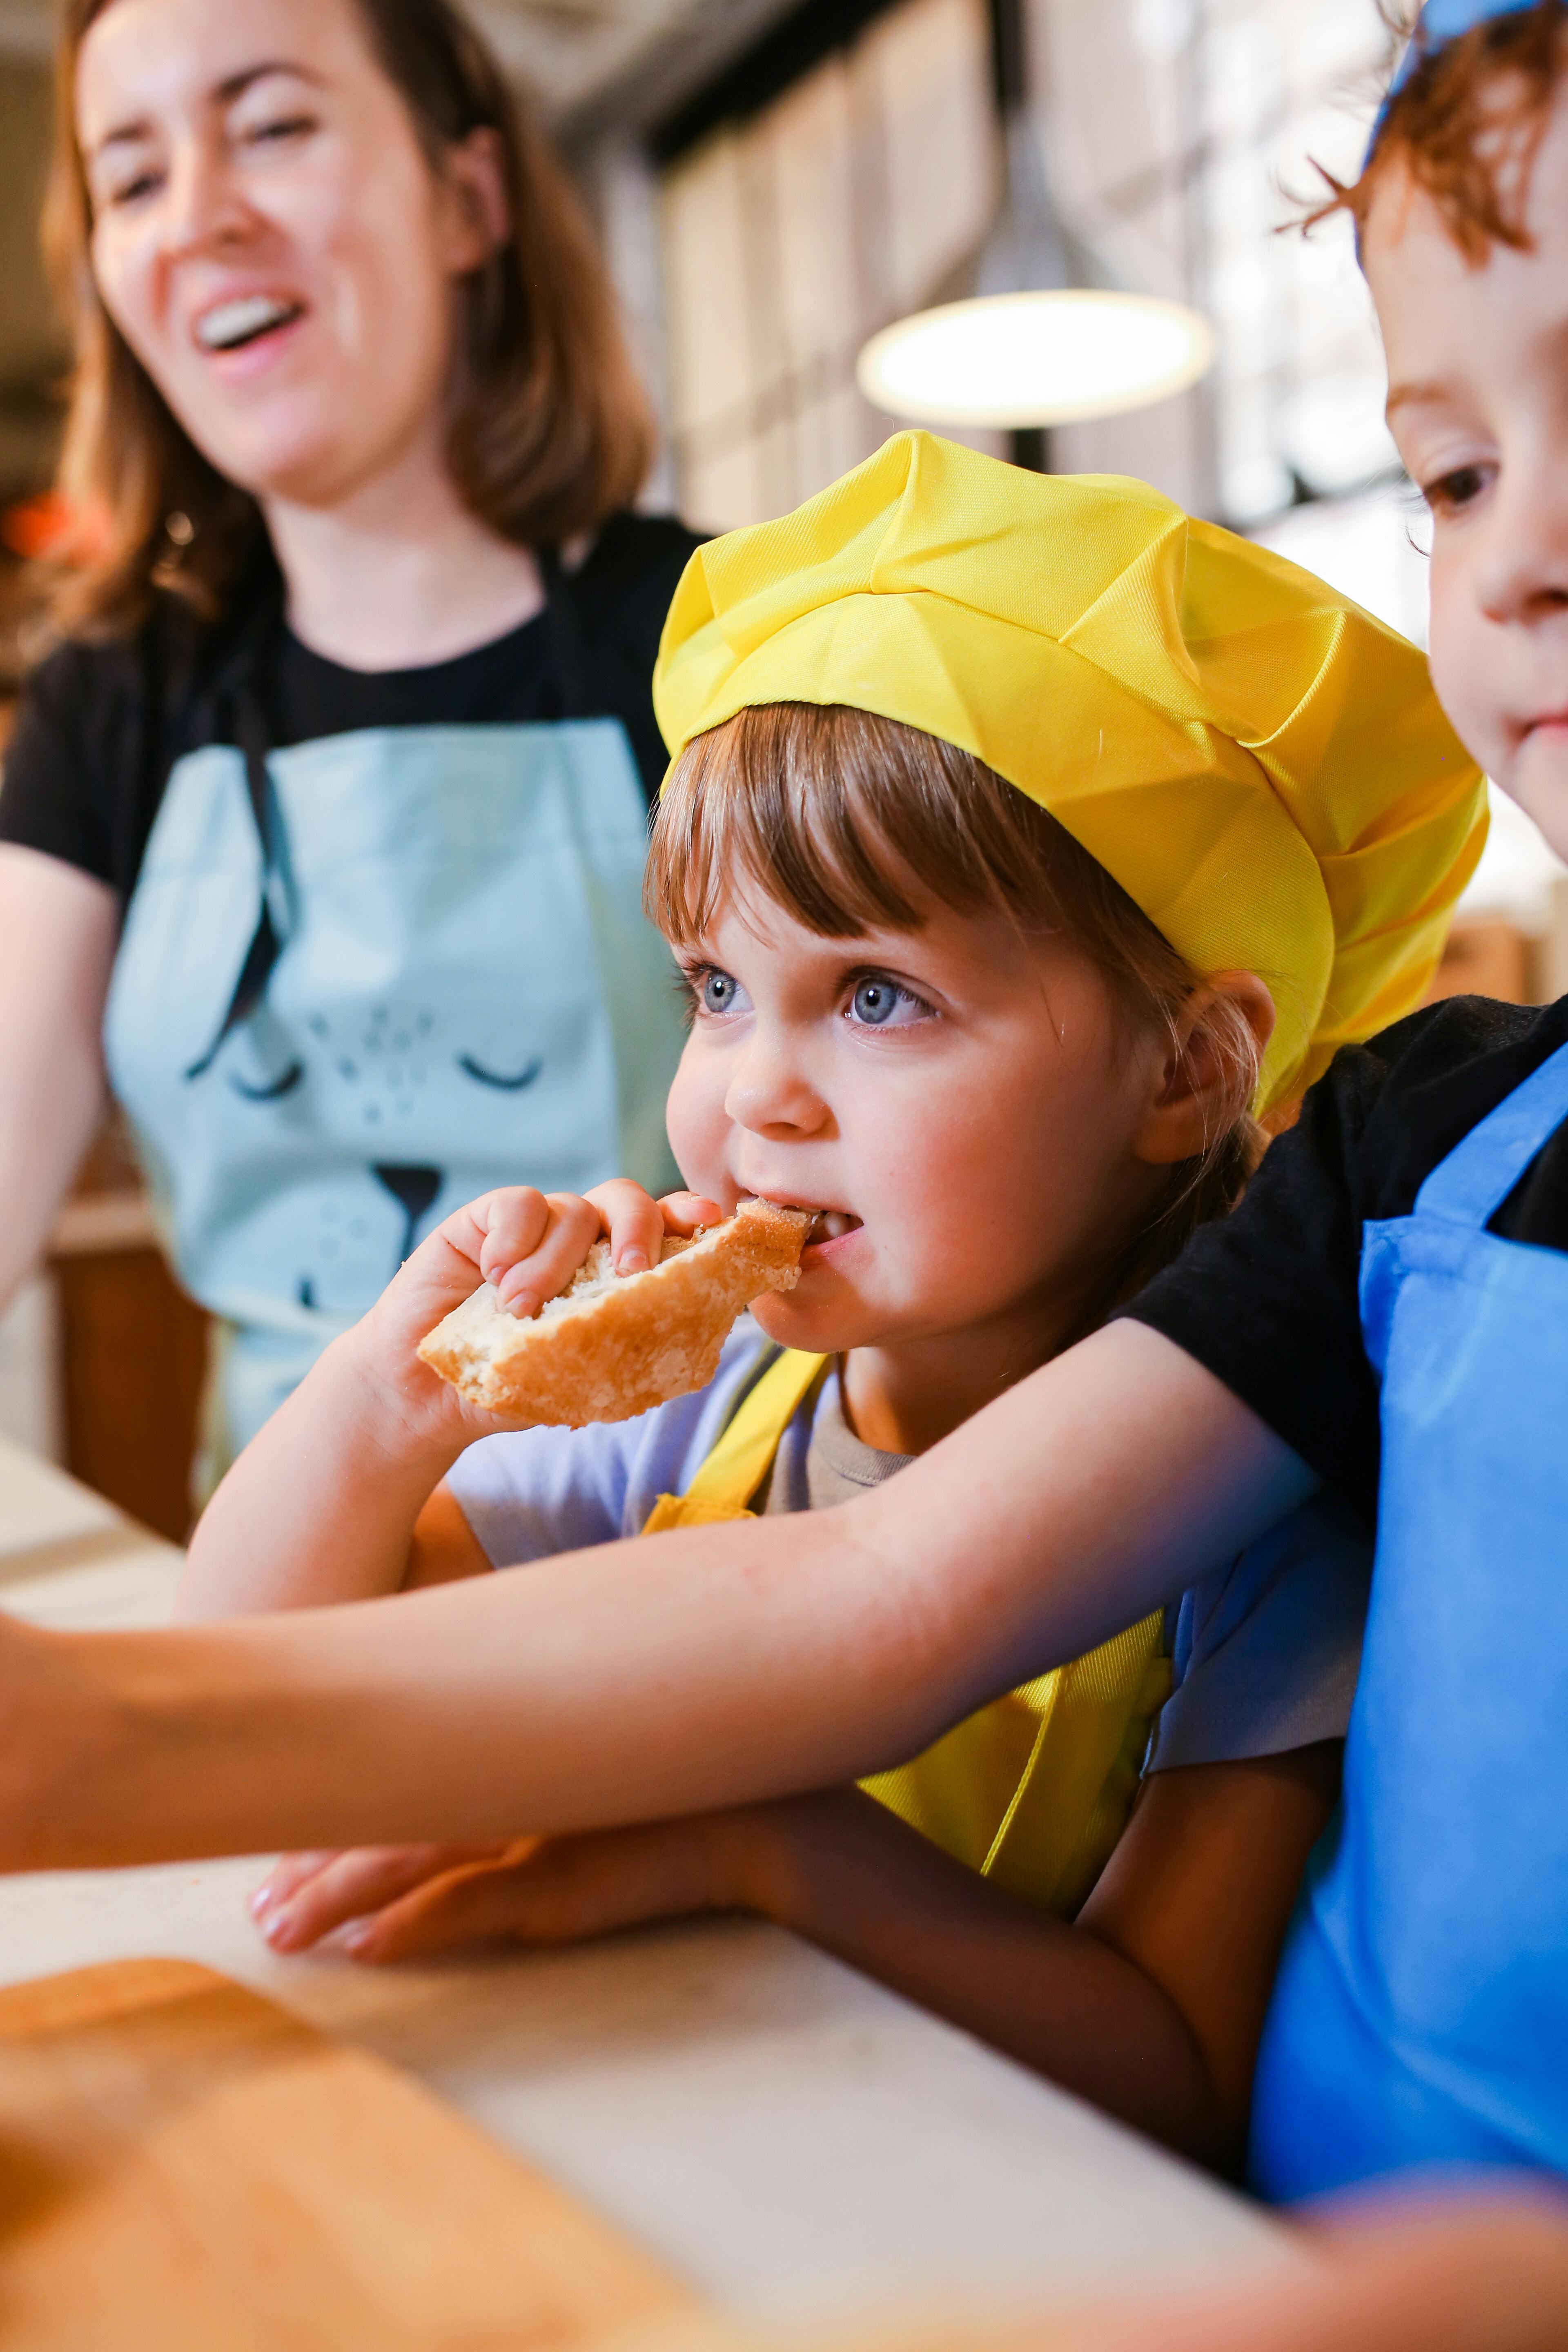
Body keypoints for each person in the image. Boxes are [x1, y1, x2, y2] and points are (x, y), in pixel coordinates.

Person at [172, 430, 1478, 2173]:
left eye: (876, 997)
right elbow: (256, 1678)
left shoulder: (1257, 1544)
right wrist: (388, 1403)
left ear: (1188, 1068)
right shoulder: (686, 1422)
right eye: (718, 986)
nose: (752, 1095)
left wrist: (755, 1837)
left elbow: (1169, 2071)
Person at [0, 0, 695, 1466]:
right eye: (132, 177)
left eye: (272, 127)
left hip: (682, 1557)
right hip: (276, 1595)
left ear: (467, 199)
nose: (198, 220)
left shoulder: (709, 636)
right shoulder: (113, 703)